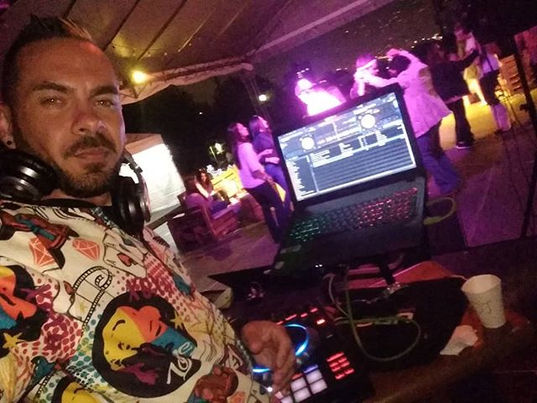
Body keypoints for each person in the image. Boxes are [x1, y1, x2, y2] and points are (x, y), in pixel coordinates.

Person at [0, 16, 294, 401]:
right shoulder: (11, 256)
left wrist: (236, 339)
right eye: (54, 100)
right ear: (5, 125)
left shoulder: (126, 220)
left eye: (104, 100)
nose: (90, 121)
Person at [355, 49, 461, 195]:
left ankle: (447, 185)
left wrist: (366, 77)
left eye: (391, 68)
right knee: (436, 151)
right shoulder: (417, 68)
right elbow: (414, 61)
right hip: (433, 118)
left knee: (425, 155)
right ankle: (453, 180)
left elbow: (388, 85)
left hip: (422, 123)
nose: (385, 70)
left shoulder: (406, 78)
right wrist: (402, 52)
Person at [227, 122, 289, 242]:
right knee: (278, 204)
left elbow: (248, 162)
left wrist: (261, 154)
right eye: (241, 128)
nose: (245, 128)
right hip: (258, 182)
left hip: (248, 185)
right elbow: (255, 170)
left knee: (266, 208)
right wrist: (267, 177)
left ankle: (276, 236)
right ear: (237, 133)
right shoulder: (246, 146)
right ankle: (285, 232)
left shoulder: (237, 148)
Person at [415, 37, 479, 149]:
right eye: (437, 49)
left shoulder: (427, 68)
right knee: (460, 117)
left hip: (441, 96)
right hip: (453, 94)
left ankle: (437, 145)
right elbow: (462, 64)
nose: (440, 50)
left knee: (439, 122)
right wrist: (475, 53)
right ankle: (463, 140)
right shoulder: (443, 64)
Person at [248, 115, 291, 210]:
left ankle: (287, 212)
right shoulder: (258, 139)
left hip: (277, 166)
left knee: (289, 189)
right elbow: (255, 158)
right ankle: (286, 213)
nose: (265, 121)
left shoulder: (267, 134)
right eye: (262, 120)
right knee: (289, 189)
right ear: (258, 124)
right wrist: (269, 160)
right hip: (272, 168)